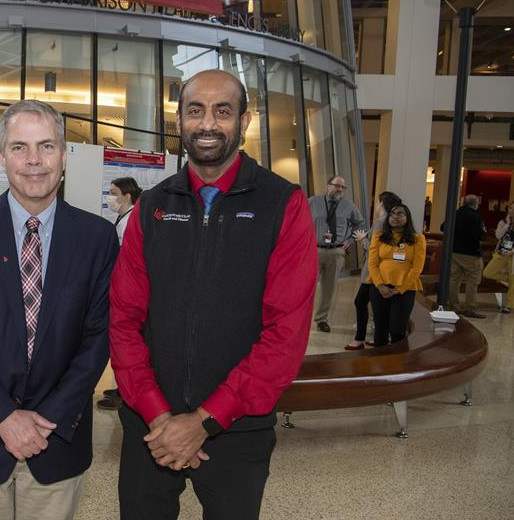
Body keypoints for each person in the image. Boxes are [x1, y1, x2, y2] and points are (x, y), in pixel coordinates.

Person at [110, 70, 316, 520]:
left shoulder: (283, 204)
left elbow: (286, 332)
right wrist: (159, 415)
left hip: (238, 428)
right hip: (150, 426)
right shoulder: (153, 205)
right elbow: (124, 319)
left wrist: (204, 420)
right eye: (195, 110)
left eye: (222, 111)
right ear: (179, 120)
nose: (207, 124)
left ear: (244, 121)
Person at [0, 99, 118, 520]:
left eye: (46, 146)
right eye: (19, 147)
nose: (34, 161)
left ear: (65, 154)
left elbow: (99, 336)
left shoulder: (98, 238)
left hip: (58, 440)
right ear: (1, 156)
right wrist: (2, 416)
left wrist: (47, 418)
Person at [97, 176, 141, 411]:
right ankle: (121, 388)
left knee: (126, 340)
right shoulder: (124, 216)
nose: (110, 197)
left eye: (113, 192)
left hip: (128, 290)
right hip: (121, 285)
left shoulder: (132, 218)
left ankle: (125, 393)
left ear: (126, 195)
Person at [308, 175, 365, 332]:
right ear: (328, 185)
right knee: (307, 286)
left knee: (329, 288)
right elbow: (299, 219)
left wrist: (352, 240)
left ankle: (322, 319)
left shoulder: (348, 206)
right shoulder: (313, 202)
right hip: (314, 251)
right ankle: (301, 318)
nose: (340, 189)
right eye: (337, 186)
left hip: (336, 252)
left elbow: (360, 224)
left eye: (342, 187)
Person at [346, 191, 401, 350]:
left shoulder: (380, 223)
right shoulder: (391, 222)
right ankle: (380, 338)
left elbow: (372, 249)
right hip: (382, 270)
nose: (376, 205)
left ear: (383, 204)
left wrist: (363, 239)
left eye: (378, 202)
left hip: (372, 271)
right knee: (377, 304)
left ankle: (359, 339)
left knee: (361, 302)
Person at [368, 203, 426, 346]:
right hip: (379, 288)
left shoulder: (418, 239)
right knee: (380, 328)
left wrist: (399, 290)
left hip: (404, 290)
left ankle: (398, 364)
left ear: (408, 218)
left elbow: (417, 268)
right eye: (392, 213)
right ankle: (379, 363)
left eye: (400, 214)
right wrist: (380, 285)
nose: (395, 217)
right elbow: (372, 263)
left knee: (397, 330)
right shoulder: (379, 237)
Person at [443, 194, 486, 318]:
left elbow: (443, 227)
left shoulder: (454, 214)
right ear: (475, 204)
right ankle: (470, 307)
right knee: (473, 279)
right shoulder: (476, 217)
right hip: (471, 253)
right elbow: (480, 235)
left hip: (454, 251)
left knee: (454, 278)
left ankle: (454, 305)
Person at [482, 200, 514, 314]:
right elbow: (498, 235)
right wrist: (507, 224)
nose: (511, 211)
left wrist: (513, 251)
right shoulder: (503, 222)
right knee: (487, 272)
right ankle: (508, 280)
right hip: (502, 252)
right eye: (510, 208)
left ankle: (509, 305)